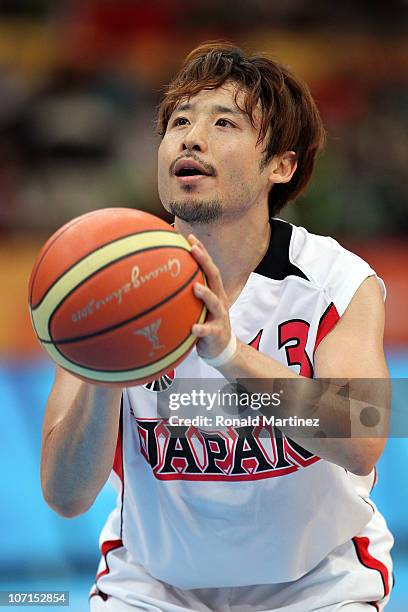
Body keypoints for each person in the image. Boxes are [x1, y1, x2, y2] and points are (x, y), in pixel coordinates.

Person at [41, 42, 394, 611]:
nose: (191, 136)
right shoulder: (99, 286)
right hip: (155, 586)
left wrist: (231, 354)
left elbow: (364, 440)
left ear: (281, 164)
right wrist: (104, 372)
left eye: (223, 121)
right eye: (179, 120)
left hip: (317, 584)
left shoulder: (336, 280)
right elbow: (64, 496)